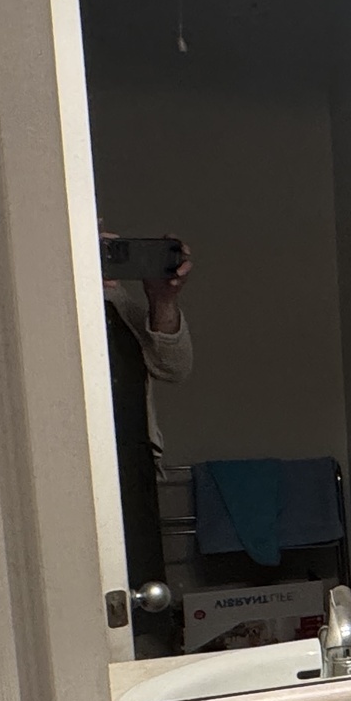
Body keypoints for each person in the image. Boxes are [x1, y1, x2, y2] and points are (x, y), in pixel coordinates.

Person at [103, 240, 192, 648]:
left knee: (141, 607)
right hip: (79, 475)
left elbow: (173, 366)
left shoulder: (115, 298)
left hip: (133, 473)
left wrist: (161, 298)